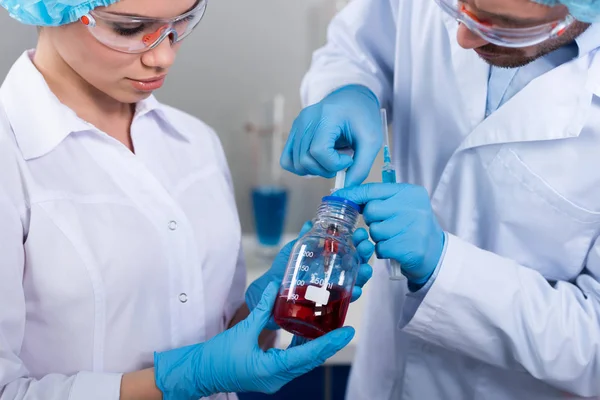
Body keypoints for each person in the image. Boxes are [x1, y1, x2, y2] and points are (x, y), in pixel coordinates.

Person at [0, 0, 376, 399]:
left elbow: (224, 349)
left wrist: (266, 310)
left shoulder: (195, 143)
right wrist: (183, 379)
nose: (163, 56)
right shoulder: (11, 158)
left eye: (182, 22)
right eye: (129, 29)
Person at [281, 0, 600, 398]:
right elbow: (357, 45)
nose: (463, 38)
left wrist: (444, 267)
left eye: (501, 25)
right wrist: (351, 89)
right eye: (456, 8)